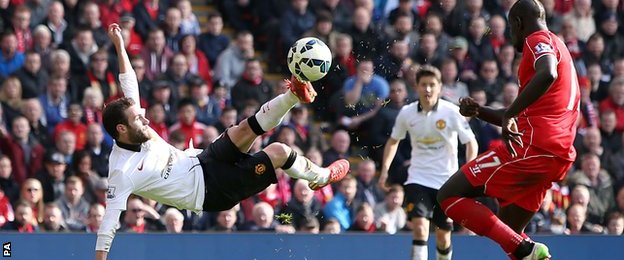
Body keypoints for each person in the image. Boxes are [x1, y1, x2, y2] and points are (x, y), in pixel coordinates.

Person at [95, 24, 350, 259]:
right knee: (279, 151)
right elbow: (108, 224)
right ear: (121, 129)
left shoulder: (133, 123)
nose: (147, 121)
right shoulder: (121, 170)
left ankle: (293, 94)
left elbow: (129, 83)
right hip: (211, 191)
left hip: (200, 159)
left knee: (242, 129)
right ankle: (321, 176)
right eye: (139, 120)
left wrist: (119, 45)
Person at [436, 1, 581, 259]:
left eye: (512, 31)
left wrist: (510, 114)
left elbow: (546, 73)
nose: (511, 38)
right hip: (554, 155)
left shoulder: (537, 39)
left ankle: (526, 248)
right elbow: (519, 115)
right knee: (510, 234)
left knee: (448, 196)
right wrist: (479, 110)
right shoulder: (562, 49)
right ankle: (529, 251)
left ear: (517, 23)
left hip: (533, 149)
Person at [379, 65, 478, 260]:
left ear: (440, 87)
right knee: (420, 227)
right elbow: (393, 141)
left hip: (447, 182)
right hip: (418, 179)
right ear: (416, 87)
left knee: (442, 236)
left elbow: (471, 142)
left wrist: (468, 172)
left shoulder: (451, 112)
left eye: (432, 85)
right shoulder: (407, 113)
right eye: (423, 85)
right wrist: (384, 171)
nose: (428, 89)